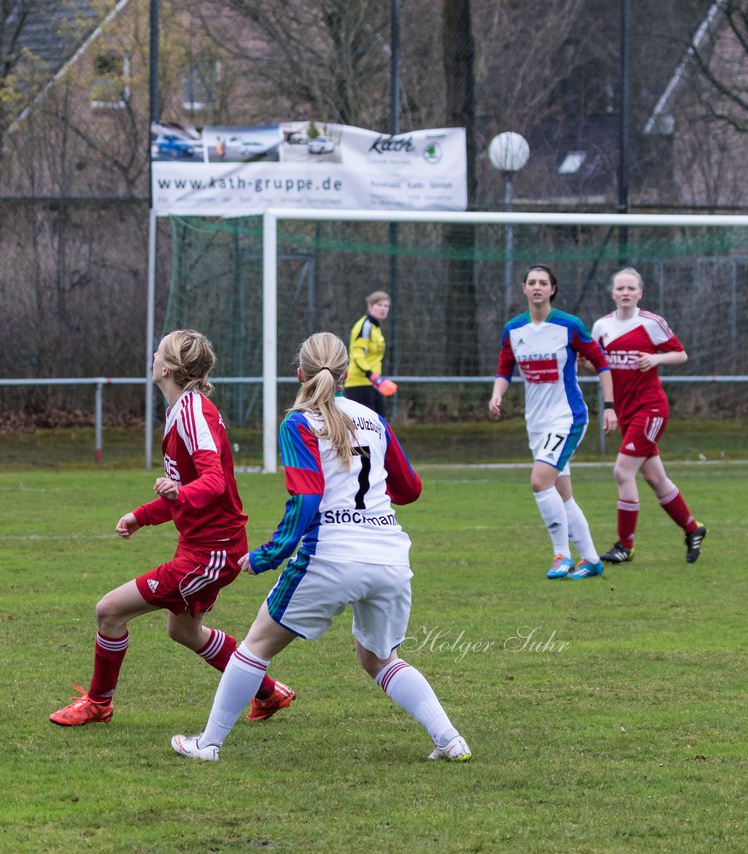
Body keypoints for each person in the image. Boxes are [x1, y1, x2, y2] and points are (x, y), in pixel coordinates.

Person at [170, 332, 469, 763]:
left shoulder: (299, 421)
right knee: (380, 659)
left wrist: (269, 555)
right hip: (389, 556)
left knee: (255, 646)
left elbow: (306, 501)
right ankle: (450, 739)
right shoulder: (373, 418)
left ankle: (208, 744)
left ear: (299, 374)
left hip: (331, 556)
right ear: (346, 375)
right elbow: (411, 488)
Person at [50, 329, 295, 726]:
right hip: (208, 547)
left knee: (109, 611)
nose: (152, 354)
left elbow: (211, 484)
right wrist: (143, 515)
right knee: (183, 630)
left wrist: (178, 496)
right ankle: (268, 693)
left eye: (158, 351)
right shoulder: (183, 409)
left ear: (166, 368)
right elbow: (189, 487)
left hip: (210, 553)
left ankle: (98, 704)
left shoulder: (193, 412)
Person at [488, 264, 617, 580]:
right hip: (537, 422)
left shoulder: (568, 325)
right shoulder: (514, 329)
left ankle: (561, 554)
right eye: (531, 282)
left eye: (542, 283)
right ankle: (590, 560)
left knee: (539, 481)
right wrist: (497, 395)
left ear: (552, 289)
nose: (536, 287)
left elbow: (601, 363)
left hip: (567, 417)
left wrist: (611, 406)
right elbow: (504, 369)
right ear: (524, 288)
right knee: (563, 494)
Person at [591, 268, 707, 564]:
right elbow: (599, 368)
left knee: (622, 471)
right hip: (626, 410)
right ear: (613, 293)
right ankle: (693, 529)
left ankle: (624, 545)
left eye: (631, 288)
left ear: (640, 293)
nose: (626, 292)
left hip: (651, 409)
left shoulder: (652, 323)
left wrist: (656, 357)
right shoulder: (601, 327)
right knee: (655, 477)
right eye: (621, 288)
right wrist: (586, 364)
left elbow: (680, 354)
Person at [344, 291, 397, 418]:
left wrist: (376, 379)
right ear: (370, 306)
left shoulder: (376, 328)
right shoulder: (365, 326)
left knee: (381, 424)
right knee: (364, 427)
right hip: (359, 384)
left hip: (373, 384)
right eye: (379, 305)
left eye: (386, 306)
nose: (383, 309)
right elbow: (358, 354)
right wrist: (371, 375)